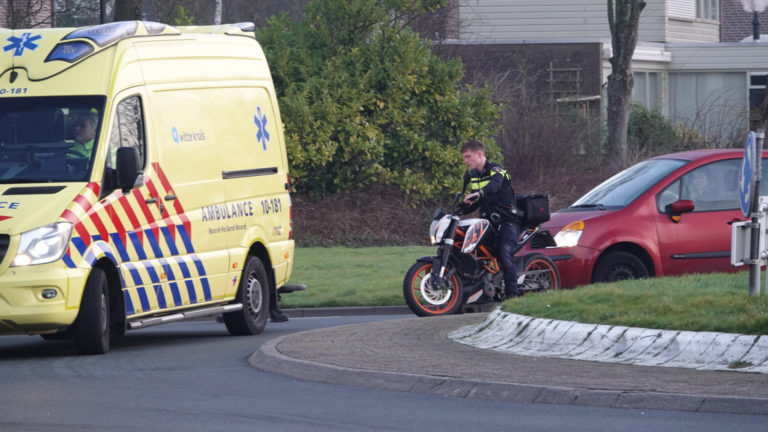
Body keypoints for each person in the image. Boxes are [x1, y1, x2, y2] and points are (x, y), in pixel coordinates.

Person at [459, 139, 522, 298]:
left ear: (480, 154)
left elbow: (494, 185)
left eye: (468, 157)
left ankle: (512, 295)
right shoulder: (473, 176)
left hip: (508, 220)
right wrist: (459, 209)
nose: (465, 161)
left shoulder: (497, 170)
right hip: (488, 222)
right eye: (464, 158)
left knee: (504, 251)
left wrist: (480, 193)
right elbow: (474, 202)